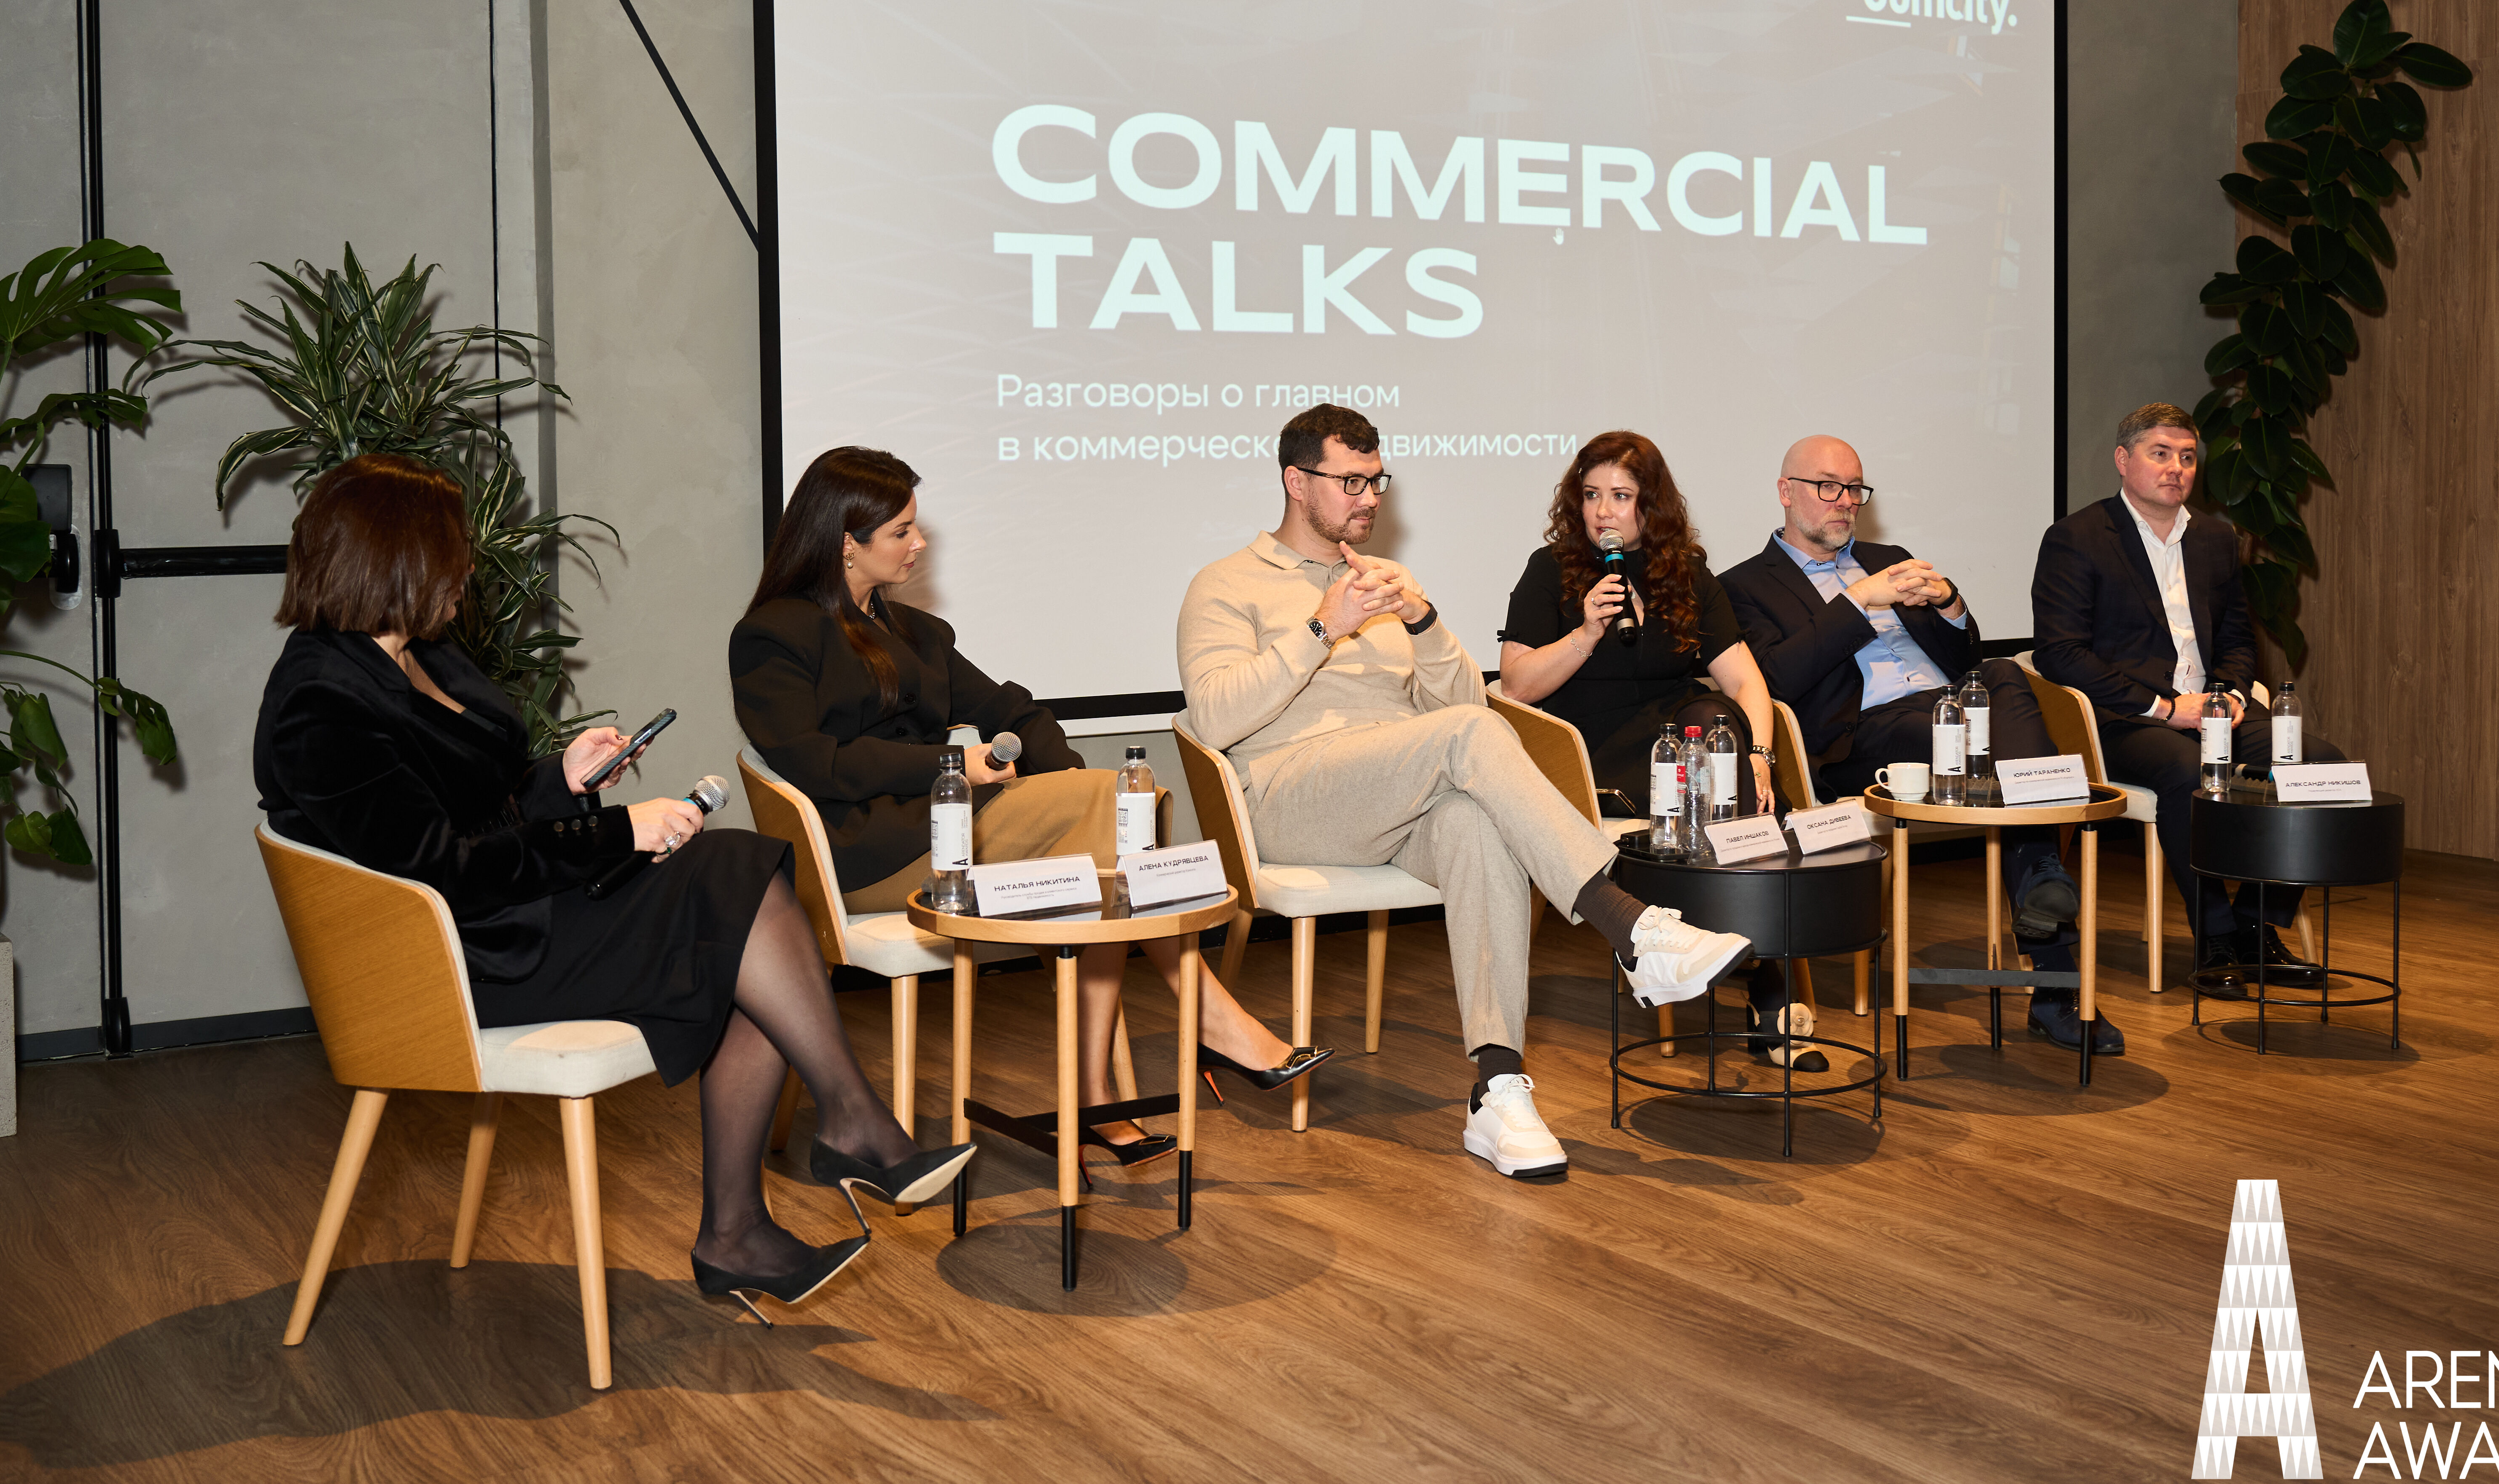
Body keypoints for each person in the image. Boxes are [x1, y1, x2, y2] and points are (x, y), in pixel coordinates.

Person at [253, 454, 971, 1325]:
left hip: (507, 919)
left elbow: (477, 809)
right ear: (393, 558)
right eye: (453, 552)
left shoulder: (416, 655)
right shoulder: (322, 699)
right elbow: (444, 869)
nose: (467, 569)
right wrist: (616, 831)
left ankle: (775, 1198)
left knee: (743, 897)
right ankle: (805, 1166)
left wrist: (561, 778)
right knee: (737, 886)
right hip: (460, 960)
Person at [1177, 405, 1756, 1180]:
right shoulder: (1226, 583)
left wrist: (1421, 619)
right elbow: (1213, 718)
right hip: (1289, 796)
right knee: (1467, 743)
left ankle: (1497, 1090)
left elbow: (1462, 707)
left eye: (1376, 480)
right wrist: (1320, 628)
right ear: (1296, 481)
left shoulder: (1381, 583)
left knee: (1476, 824)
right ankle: (1632, 928)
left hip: (1398, 791)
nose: (1369, 498)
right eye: (1351, 482)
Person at [730, 446, 1328, 1167]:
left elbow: (1018, 711)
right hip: (862, 855)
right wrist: (954, 764)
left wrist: (1064, 784)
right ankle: (1186, 1038)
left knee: (1112, 817)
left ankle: (1111, 1083)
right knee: (1118, 812)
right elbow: (814, 763)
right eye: (901, 531)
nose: (919, 543)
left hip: (948, 832)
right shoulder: (773, 636)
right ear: (844, 544)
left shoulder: (917, 633)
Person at [1719, 434, 2114, 1054]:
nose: (1846, 501)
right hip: (1863, 735)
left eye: (1855, 488)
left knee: (2001, 673)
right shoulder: (1743, 586)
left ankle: (2042, 882)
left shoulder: (1890, 558)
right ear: (1786, 492)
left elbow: (1964, 658)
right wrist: (1858, 600)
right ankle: (2055, 976)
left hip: (1951, 713)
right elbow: (1777, 681)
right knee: (1996, 746)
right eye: (1829, 486)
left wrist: (1951, 604)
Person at [1495, 431, 1810, 1067]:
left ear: (1651, 504)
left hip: (1680, 743)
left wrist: (1759, 756)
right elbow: (1516, 685)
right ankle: (1765, 982)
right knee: (1709, 770)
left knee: (1716, 728)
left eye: (1620, 496)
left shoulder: (1685, 572)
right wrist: (1587, 631)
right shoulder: (1550, 569)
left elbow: (1745, 681)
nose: (1602, 512)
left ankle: (1745, 963)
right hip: (1591, 754)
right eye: (1591, 495)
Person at [2030, 404, 2342, 998]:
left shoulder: (2215, 539)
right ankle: (2215, 938)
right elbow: (2060, 653)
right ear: (2123, 460)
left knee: (2322, 766)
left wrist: (2228, 696)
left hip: (2213, 713)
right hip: (2126, 720)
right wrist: (2167, 709)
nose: (2176, 468)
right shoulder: (2077, 538)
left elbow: (2236, 639)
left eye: (2187, 457)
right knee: (2184, 771)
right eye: (2160, 454)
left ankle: (2257, 927)